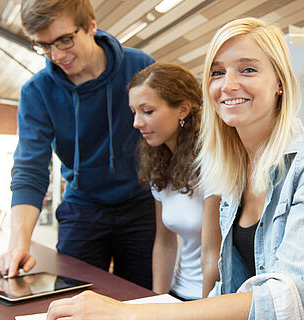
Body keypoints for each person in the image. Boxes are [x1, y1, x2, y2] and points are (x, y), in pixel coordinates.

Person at [45, 17, 304, 320]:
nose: (228, 85)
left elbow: (290, 296)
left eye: (248, 69)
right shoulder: (233, 169)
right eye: (217, 72)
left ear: (281, 84)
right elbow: (229, 286)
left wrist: (134, 314)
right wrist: (155, 304)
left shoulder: (296, 168)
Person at [0, 0, 156, 289]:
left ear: (91, 25)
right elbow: (30, 169)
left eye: (64, 40)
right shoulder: (38, 92)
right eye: (43, 45)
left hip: (141, 205)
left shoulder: (140, 67)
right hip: (82, 208)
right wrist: (18, 244)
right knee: (71, 297)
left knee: (140, 297)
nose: (56, 55)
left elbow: (170, 138)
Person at [127, 62, 221, 301]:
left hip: (208, 298)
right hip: (177, 292)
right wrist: (157, 301)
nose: (136, 123)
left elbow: (213, 255)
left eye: (147, 111)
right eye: (134, 112)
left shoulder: (211, 162)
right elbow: (164, 243)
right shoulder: (161, 165)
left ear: (183, 109)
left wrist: (203, 312)